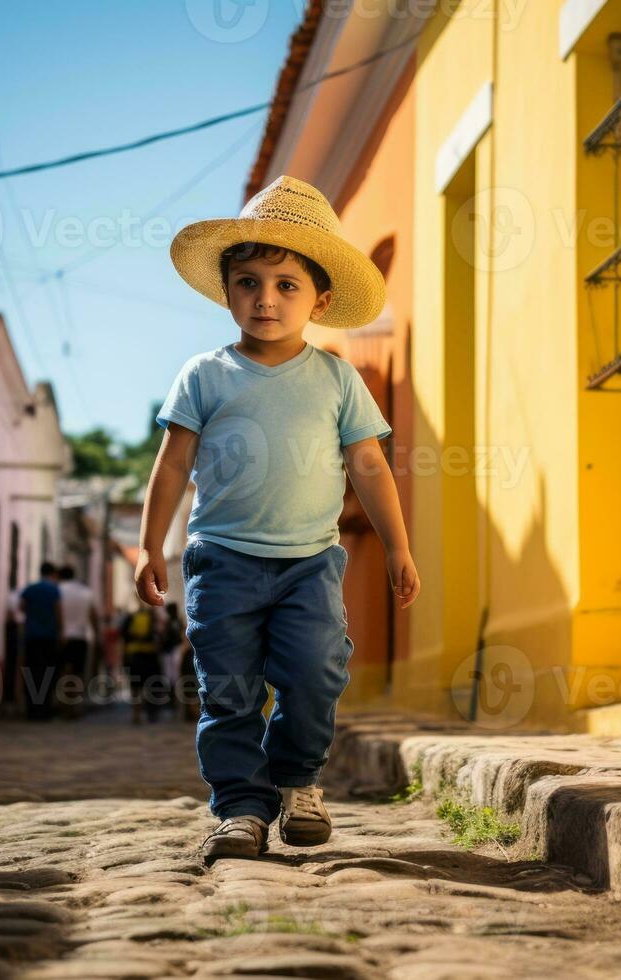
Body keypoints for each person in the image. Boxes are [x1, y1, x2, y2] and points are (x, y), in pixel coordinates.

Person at [138, 175, 421, 865]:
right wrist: (149, 546)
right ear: (227, 289)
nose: (265, 298)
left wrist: (396, 547)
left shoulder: (335, 380)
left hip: (309, 562)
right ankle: (239, 808)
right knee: (228, 691)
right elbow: (173, 465)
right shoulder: (204, 375)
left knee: (315, 672)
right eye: (247, 281)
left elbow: (370, 467)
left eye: (286, 284)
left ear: (319, 299)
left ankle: (297, 782)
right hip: (220, 560)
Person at [17, 562, 63, 721]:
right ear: (53, 574)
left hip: (32, 637)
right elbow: (58, 612)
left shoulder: (30, 588)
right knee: (47, 674)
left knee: (31, 673)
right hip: (48, 637)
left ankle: (31, 711)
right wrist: (60, 631)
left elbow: (21, 607)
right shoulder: (53, 589)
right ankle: (44, 711)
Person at [58, 565, 101, 717]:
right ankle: (74, 706)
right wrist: (97, 637)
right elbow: (93, 617)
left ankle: (63, 707)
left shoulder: (57, 591)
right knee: (77, 674)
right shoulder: (86, 592)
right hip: (81, 637)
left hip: (62, 637)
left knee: (63, 673)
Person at [120, 605, 163, 724]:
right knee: (148, 686)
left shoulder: (131, 617)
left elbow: (124, 636)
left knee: (135, 687)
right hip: (149, 656)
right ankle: (146, 712)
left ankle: (136, 714)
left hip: (134, 655)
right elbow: (159, 637)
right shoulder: (153, 618)